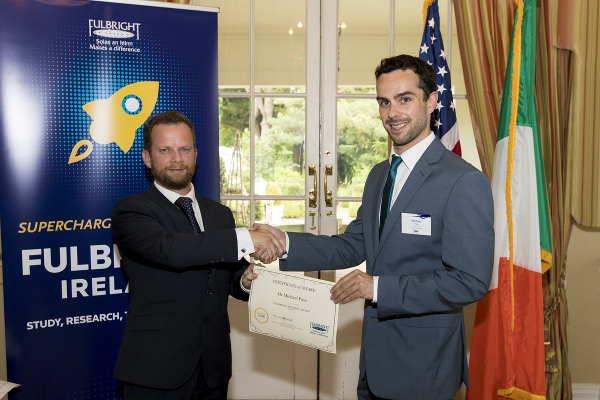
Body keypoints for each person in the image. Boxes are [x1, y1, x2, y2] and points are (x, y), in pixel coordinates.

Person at [252, 54, 495, 400]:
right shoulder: (380, 174)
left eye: (404, 99)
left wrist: (378, 288)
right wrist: (285, 242)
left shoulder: (463, 181)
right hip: (375, 362)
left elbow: (470, 281)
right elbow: (351, 246)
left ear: (432, 102)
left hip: (425, 365)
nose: (392, 113)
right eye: (384, 101)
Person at [111, 111, 283, 400]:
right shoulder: (131, 211)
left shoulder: (219, 213)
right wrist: (245, 237)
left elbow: (229, 276)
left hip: (212, 368)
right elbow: (171, 250)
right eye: (165, 150)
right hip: (155, 371)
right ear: (147, 158)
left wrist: (245, 281)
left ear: (195, 155)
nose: (176, 158)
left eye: (184, 149)